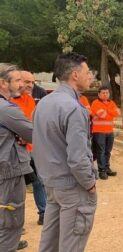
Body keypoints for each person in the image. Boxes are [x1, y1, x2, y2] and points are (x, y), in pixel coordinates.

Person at [32, 53, 97, 252]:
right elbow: (78, 158)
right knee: (71, 246)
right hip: (72, 187)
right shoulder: (74, 109)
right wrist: (89, 183)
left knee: (49, 244)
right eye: (87, 72)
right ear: (75, 75)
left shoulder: (43, 103)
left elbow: (39, 144)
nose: (90, 77)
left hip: (51, 184)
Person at [0, 63, 34, 252]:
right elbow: (34, 133)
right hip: (8, 172)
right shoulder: (6, 109)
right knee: (10, 224)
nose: (21, 84)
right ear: (3, 83)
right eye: (18, 80)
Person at [11, 70, 47, 226]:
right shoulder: (7, 102)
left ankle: (43, 213)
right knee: (15, 188)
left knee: (39, 181)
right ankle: (14, 222)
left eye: (32, 82)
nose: (30, 85)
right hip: (15, 151)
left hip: (32, 148)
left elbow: (32, 123)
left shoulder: (30, 100)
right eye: (27, 82)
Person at [90, 86, 120, 180]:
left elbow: (118, 113)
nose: (105, 94)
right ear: (99, 94)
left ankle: (107, 168)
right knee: (101, 151)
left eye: (107, 93)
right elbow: (102, 115)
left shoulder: (111, 102)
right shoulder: (95, 103)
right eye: (103, 93)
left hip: (109, 131)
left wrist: (108, 111)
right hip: (99, 132)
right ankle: (102, 171)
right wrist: (111, 111)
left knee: (108, 151)